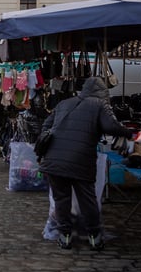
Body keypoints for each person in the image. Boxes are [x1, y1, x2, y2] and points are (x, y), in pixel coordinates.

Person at [39, 76, 135, 251]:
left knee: (61, 199)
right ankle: (94, 236)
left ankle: (65, 236)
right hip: (80, 160)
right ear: (103, 92)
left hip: (54, 161)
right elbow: (110, 127)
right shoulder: (99, 105)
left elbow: (45, 126)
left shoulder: (64, 103)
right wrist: (129, 133)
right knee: (87, 200)